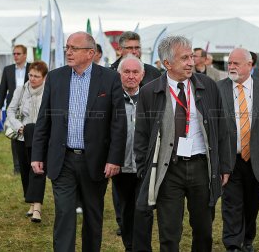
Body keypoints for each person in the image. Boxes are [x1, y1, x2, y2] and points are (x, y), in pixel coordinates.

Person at [31, 31, 126, 252]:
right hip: (62, 160)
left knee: (93, 216)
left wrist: (114, 159)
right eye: (67, 47)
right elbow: (44, 118)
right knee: (64, 214)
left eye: (74, 48)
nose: (69, 52)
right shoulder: (56, 77)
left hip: (95, 161)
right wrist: (37, 154)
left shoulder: (110, 78)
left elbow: (118, 124)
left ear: (90, 53)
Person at [134, 35, 231, 252]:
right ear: (167, 63)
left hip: (201, 167)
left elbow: (221, 129)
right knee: (169, 233)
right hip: (169, 169)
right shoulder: (150, 92)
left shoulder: (208, 86)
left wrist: (224, 165)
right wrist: (145, 168)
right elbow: (141, 135)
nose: (191, 62)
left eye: (191, 57)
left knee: (204, 230)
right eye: (184, 58)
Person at [217, 48, 259, 252]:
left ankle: (248, 240)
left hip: (257, 159)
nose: (231, 66)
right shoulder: (218, 89)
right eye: (230, 63)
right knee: (232, 204)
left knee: (252, 205)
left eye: (236, 63)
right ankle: (233, 244)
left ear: (250, 65)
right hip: (230, 159)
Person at [6, 61, 48, 223]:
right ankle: (31, 202)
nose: (32, 78)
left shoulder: (49, 91)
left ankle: (37, 207)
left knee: (37, 168)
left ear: (44, 77)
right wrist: (18, 126)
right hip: (23, 135)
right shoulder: (21, 89)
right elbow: (10, 110)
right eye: (30, 75)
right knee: (25, 170)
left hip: (41, 136)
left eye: (37, 76)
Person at [113, 55, 144, 251]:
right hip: (120, 165)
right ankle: (129, 245)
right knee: (125, 209)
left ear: (142, 75)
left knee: (143, 209)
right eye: (126, 72)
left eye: (135, 72)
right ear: (119, 75)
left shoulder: (150, 99)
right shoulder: (112, 100)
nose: (131, 76)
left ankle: (141, 245)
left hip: (143, 165)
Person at [0, 45, 30, 174]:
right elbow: (3, 89)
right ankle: (17, 167)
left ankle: (29, 164)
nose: (15, 56)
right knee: (14, 135)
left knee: (28, 135)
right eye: (14, 53)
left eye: (18, 53)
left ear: (25, 55)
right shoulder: (8, 69)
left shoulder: (32, 67)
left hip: (29, 108)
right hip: (12, 108)